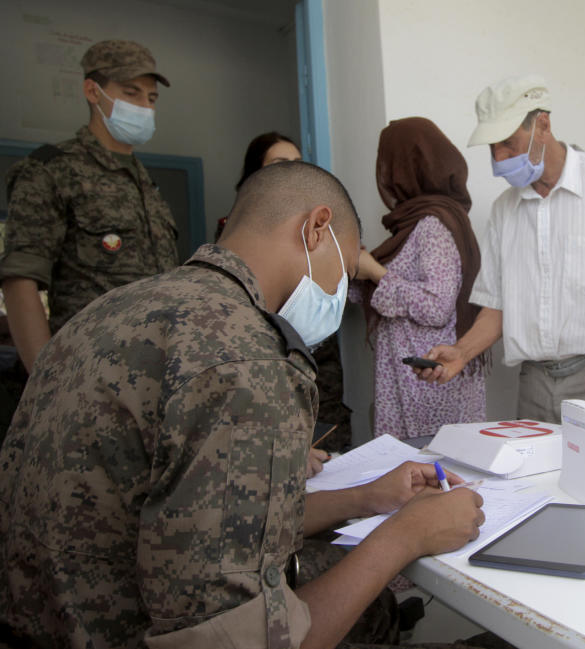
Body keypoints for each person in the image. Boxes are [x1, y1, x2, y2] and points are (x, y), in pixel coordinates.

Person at [0, 161, 487, 648]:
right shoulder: (249, 357)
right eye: (342, 273)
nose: (339, 294)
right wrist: (406, 537)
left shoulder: (110, 310)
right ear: (317, 228)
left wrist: (366, 499)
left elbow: (195, 517)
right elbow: (247, 640)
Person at [419, 75, 585, 457]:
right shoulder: (504, 210)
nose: (499, 158)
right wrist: (461, 353)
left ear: (542, 125)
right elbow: (496, 306)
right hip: (533, 385)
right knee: (539, 494)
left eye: (508, 143)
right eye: (493, 148)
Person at [0, 40, 179, 440]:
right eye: (130, 93)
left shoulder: (146, 185)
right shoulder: (51, 171)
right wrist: (51, 386)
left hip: (153, 388)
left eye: (151, 98)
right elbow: (20, 281)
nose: (144, 107)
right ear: (92, 91)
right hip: (85, 386)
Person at [217, 132, 354, 457]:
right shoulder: (236, 240)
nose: (292, 172)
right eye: (281, 164)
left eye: (297, 163)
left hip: (318, 386)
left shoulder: (325, 234)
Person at [353, 117, 485, 439]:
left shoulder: (432, 225)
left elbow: (436, 306)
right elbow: (396, 292)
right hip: (418, 383)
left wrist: (373, 271)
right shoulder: (418, 222)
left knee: (431, 480)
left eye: (389, 165)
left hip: (428, 388)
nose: (384, 176)